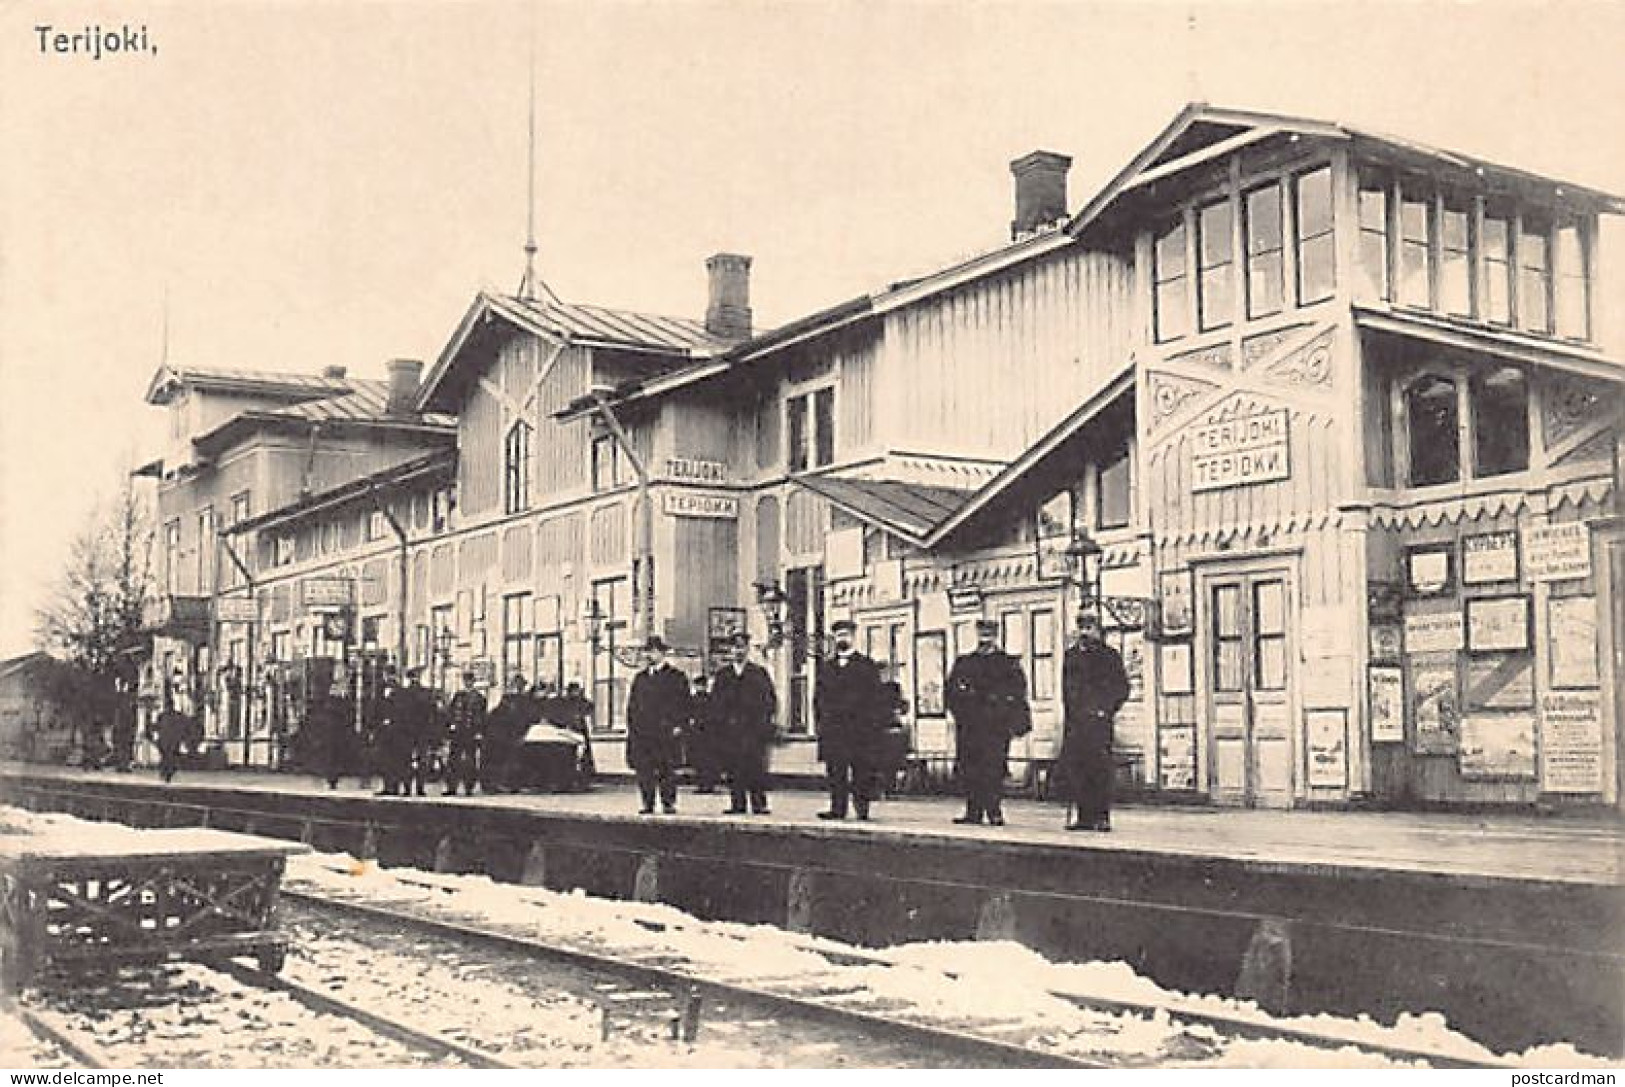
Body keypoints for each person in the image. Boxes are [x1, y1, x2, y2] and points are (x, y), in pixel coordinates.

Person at [945, 618, 1029, 827]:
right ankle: (973, 811)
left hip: (995, 727)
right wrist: (962, 714)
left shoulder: (1007, 663)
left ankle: (994, 811)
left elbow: (1017, 693)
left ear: (996, 636)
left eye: (989, 634)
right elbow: (951, 693)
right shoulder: (964, 663)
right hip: (970, 726)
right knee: (970, 768)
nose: (985, 638)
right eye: (982, 633)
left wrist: (1008, 717)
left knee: (993, 768)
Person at [1058, 609, 1130, 832]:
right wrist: (1069, 716)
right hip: (1077, 723)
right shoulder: (1071, 656)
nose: (1085, 633)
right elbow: (1066, 690)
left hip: (1099, 724)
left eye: (1090, 628)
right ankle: (1083, 817)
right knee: (1078, 769)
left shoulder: (1109, 656)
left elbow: (1122, 688)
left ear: (1098, 631)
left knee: (1099, 770)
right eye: (1082, 628)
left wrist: (1105, 710)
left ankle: (1101, 816)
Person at [814, 618, 889, 821]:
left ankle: (862, 808)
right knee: (836, 771)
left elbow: (876, 699)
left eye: (846, 635)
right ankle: (837, 808)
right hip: (834, 730)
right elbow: (818, 699)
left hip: (859, 730)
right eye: (839, 635)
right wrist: (821, 725)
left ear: (853, 637)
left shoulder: (866, 665)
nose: (842, 639)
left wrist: (872, 727)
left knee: (861, 770)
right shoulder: (827, 667)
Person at [709, 632, 777, 815]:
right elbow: (715, 703)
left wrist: (763, 722)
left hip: (753, 730)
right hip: (730, 731)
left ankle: (758, 803)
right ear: (730, 650)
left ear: (747, 649)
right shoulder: (723, 675)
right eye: (735, 647)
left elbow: (770, 700)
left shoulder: (758, 673)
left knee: (755, 767)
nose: (738, 651)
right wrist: (720, 725)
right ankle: (737, 803)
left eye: (742, 647)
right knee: (734, 768)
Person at [625, 636, 691, 815]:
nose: (649, 655)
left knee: (667, 769)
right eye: (647, 651)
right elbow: (632, 706)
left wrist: (679, 725)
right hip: (644, 733)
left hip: (666, 732)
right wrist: (633, 728)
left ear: (662, 653)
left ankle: (668, 803)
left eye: (653, 651)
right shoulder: (640, 679)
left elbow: (685, 704)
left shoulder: (676, 677)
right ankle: (648, 803)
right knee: (645, 769)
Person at [483, 673, 532, 793]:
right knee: (505, 759)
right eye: (517, 684)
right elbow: (498, 715)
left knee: (516, 760)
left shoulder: (524, 700)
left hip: (518, 733)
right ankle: (503, 783)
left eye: (521, 685)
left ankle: (514, 784)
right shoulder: (509, 699)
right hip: (506, 734)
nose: (519, 687)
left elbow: (528, 716)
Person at [443, 669, 488, 797]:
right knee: (453, 760)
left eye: (470, 680)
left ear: (473, 682)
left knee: (470, 760)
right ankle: (452, 787)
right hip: (458, 732)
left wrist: (479, 732)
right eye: (466, 680)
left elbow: (482, 717)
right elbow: (451, 712)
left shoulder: (479, 698)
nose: (467, 683)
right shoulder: (458, 696)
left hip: (471, 732)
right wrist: (450, 725)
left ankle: (469, 787)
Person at [551, 680, 596, 781]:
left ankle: (585, 773)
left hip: (579, 728)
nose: (575, 693)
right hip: (570, 729)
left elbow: (590, 707)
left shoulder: (580, 701)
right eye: (574, 691)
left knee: (583, 751)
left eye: (577, 691)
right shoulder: (566, 702)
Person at [686, 674, 720, 793]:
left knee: (707, 761)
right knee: (699, 761)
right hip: (698, 734)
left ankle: (708, 784)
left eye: (702, 686)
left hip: (707, 734)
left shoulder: (709, 699)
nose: (700, 688)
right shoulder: (694, 699)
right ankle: (702, 784)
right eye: (698, 685)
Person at [150, 699, 192, 784]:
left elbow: (157, 727)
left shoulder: (163, 716)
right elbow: (186, 725)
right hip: (169, 740)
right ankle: (167, 772)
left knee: (168, 757)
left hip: (168, 740)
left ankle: (167, 772)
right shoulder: (176, 715)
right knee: (169, 757)